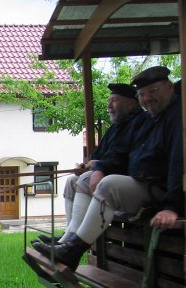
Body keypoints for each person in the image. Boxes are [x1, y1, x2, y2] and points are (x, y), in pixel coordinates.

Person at [34, 66, 183, 270]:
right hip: (143, 184)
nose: (148, 99)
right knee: (91, 181)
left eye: (153, 92)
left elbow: (178, 162)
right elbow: (123, 156)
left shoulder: (176, 117)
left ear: (169, 88)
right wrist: (100, 166)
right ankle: (68, 242)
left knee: (108, 185)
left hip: (159, 190)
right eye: (142, 94)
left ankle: (72, 250)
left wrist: (170, 207)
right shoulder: (152, 119)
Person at [37, 82, 144, 244]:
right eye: (109, 101)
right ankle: (69, 233)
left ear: (131, 103)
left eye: (114, 100)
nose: (109, 106)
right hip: (108, 173)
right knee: (71, 181)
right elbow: (99, 154)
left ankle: (69, 242)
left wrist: (98, 166)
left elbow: (122, 158)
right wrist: (86, 165)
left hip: (124, 178)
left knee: (86, 179)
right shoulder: (115, 128)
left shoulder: (139, 124)